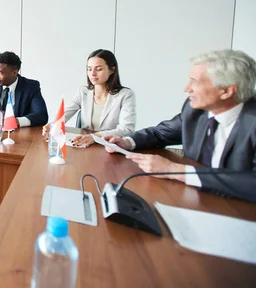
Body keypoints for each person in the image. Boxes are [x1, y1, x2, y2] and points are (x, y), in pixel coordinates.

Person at [105, 49, 256, 203]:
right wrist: (127, 142)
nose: (187, 88)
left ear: (227, 91)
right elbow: (161, 133)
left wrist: (175, 170)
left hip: (241, 210)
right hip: (196, 200)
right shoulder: (195, 110)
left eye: (195, 82)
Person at [42, 49, 136, 147]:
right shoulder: (83, 92)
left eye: (98, 69)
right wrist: (52, 125)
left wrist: (95, 137)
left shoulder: (126, 95)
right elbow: (65, 113)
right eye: (89, 69)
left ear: (112, 70)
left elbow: (127, 129)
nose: (93, 73)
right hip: (84, 145)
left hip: (109, 146)